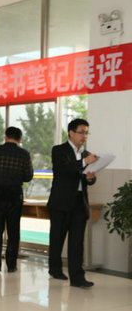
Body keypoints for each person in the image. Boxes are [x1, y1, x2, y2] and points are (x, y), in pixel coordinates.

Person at [47, 118, 97, 288]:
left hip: (79, 203)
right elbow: (64, 169)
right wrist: (84, 163)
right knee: (57, 239)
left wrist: (90, 178)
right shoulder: (59, 150)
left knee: (77, 243)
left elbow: (88, 179)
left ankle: (77, 278)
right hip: (60, 203)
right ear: (71, 133)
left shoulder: (86, 154)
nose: (84, 136)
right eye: (82, 132)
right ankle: (55, 269)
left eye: (87, 133)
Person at [0, 127, 33, 273]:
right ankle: (11, 265)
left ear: (5, 137)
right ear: (20, 139)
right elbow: (28, 176)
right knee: (13, 230)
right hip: (15, 193)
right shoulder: (24, 154)